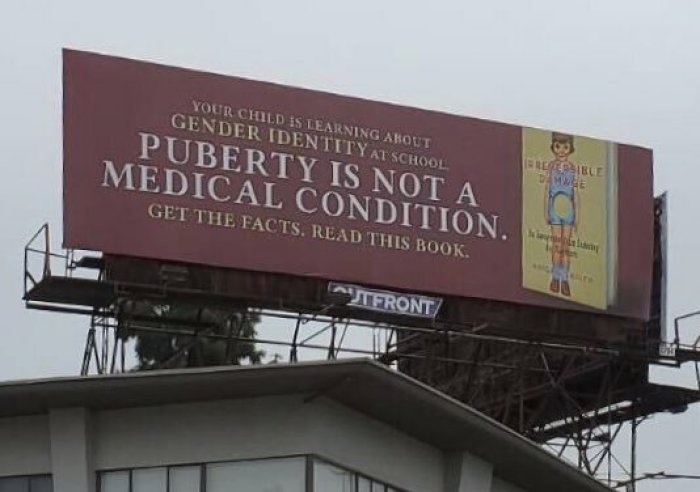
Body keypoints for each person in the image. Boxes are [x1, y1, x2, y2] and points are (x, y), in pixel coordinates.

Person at [544, 132, 577, 297]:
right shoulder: (551, 167)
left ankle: (565, 280)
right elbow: (547, 189)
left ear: (570, 148)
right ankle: (555, 278)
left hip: (569, 209)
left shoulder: (572, 168)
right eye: (558, 146)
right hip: (554, 208)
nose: (561, 150)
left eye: (565, 146)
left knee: (566, 247)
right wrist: (546, 210)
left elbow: (575, 192)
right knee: (556, 245)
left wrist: (578, 213)